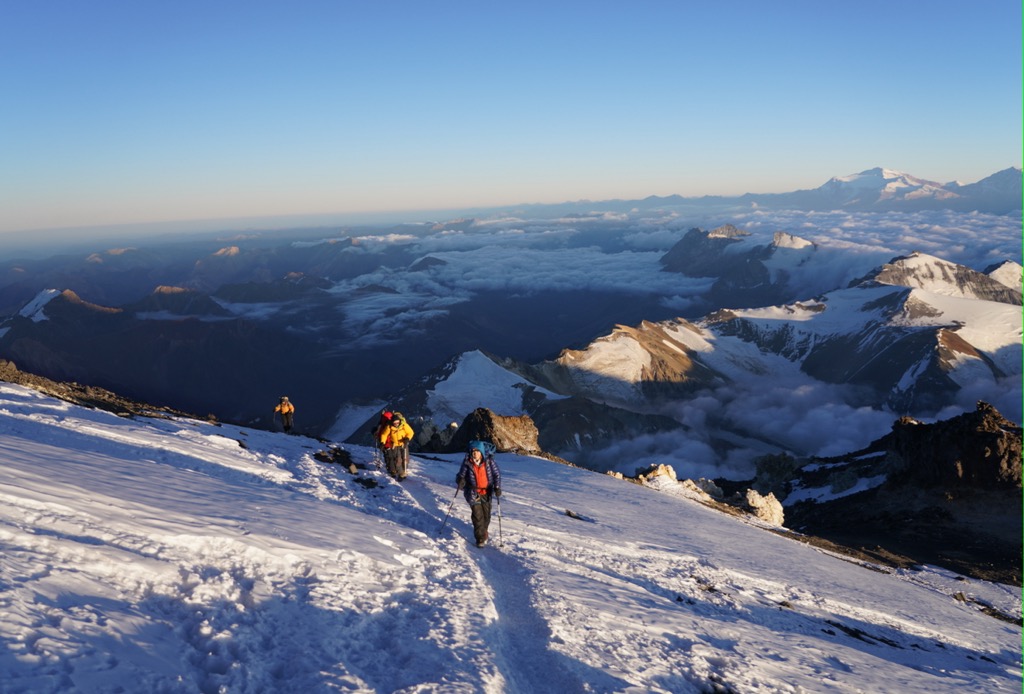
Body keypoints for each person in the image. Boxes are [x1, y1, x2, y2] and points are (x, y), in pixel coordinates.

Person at [455, 441, 501, 547]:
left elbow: (496, 474)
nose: (474, 453)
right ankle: (480, 539)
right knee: (477, 516)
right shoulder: (467, 462)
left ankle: (484, 532)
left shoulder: (489, 461)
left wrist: (497, 487)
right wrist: (460, 480)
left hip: (487, 492)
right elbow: (460, 475)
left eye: (477, 451)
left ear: (481, 452)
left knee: (487, 516)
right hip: (472, 492)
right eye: (473, 451)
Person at [378, 411, 414, 480]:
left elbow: (410, 432)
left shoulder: (404, 425)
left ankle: (404, 470)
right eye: (395, 423)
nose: (396, 424)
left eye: (397, 422)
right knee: (397, 459)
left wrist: (407, 438)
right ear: (392, 422)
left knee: (405, 458)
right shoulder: (389, 426)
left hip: (403, 443)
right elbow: (384, 434)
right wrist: (382, 442)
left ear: (400, 421)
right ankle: (401, 473)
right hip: (395, 445)